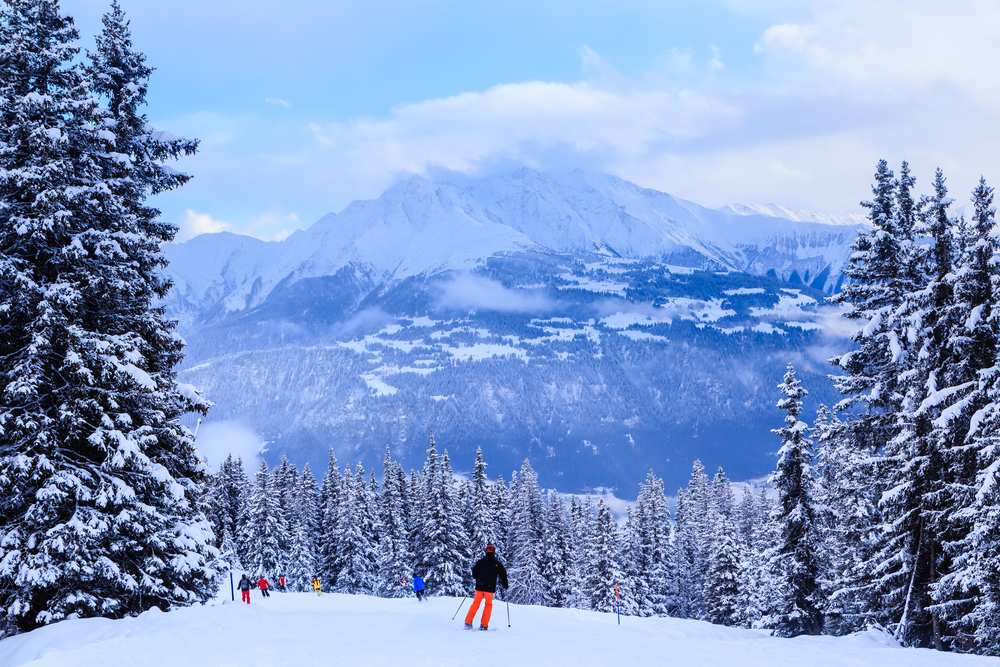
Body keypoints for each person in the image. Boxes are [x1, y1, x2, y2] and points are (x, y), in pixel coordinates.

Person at [464, 544, 508, 631]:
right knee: (488, 605)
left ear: (486, 551)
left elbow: (474, 572)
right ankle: (484, 625)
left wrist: (477, 576)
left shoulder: (480, 562)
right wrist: (505, 584)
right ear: (494, 552)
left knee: (476, 604)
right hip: (490, 588)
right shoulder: (497, 564)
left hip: (479, 587)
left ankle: (468, 622)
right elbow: (503, 574)